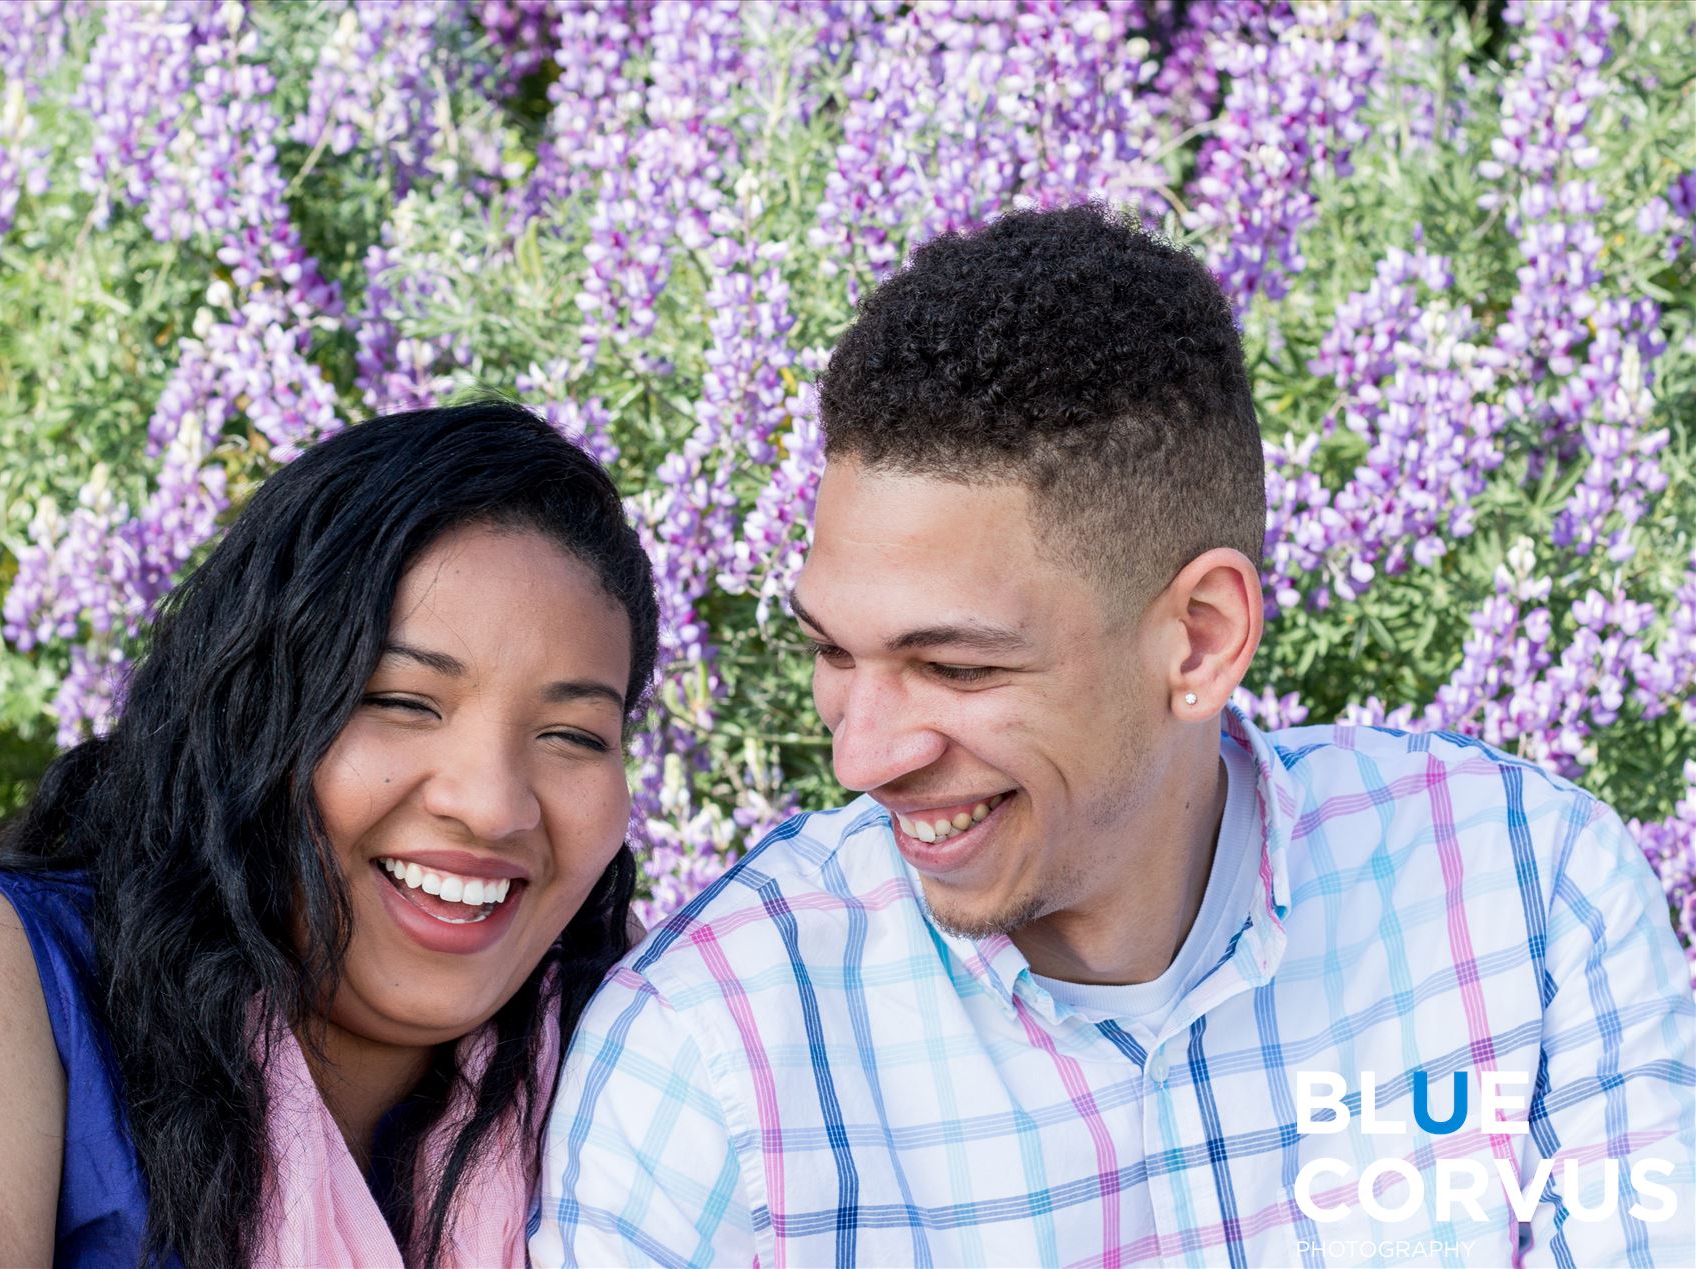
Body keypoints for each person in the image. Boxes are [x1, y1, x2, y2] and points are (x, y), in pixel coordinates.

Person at [532, 207, 1696, 1267]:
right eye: (836, 654)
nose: (862, 757)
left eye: (955, 667)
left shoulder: (1532, 896)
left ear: (1197, 640)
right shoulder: (705, 1059)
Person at [0, 404, 659, 1269]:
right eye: (398, 700)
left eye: (574, 736)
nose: (493, 806)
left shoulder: (653, 1039)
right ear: (247, 713)